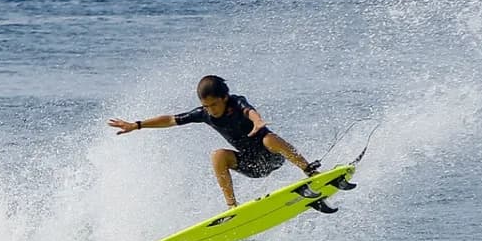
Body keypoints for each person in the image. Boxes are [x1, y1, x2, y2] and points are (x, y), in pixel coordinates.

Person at [107, 75, 332, 211]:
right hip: (251, 165)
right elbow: (170, 119)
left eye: (213, 105)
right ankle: (232, 207)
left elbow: (250, 111)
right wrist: (137, 125)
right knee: (217, 155)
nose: (210, 111)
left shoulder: (237, 102)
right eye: (205, 106)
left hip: (272, 156)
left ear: (224, 98)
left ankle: (309, 170)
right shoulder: (204, 114)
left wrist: (258, 121)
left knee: (269, 138)